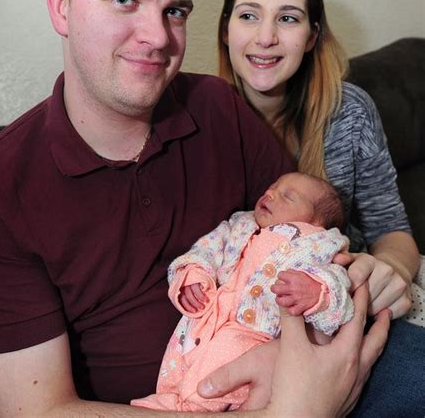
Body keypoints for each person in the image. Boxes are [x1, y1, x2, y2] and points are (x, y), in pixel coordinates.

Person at [0, 0, 389, 417]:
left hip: (297, 357)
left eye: (174, 11)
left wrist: (357, 290)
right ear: (61, 5)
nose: (158, 37)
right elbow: (38, 410)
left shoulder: (217, 107)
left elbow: (305, 239)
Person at [217, 0, 423, 414]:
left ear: (311, 36)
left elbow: (393, 228)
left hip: (341, 304)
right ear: (226, 28)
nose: (266, 38)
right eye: (249, 16)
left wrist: (391, 268)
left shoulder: (348, 110)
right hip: (247, 329)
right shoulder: (203, 118)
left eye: (287, 19)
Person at [132, 172, 354, 412]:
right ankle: (169, 397)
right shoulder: (239, 225)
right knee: (182, 360)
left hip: (255, 335)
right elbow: (206, 249)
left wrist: (316, 292)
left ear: (317, 222)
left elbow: (338, 284)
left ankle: (186, 408)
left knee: (220, 367)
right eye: (272, 187)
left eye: (288, 197)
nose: (270, 194)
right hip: (209, 317)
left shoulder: (318, 245)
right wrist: (193, 275)